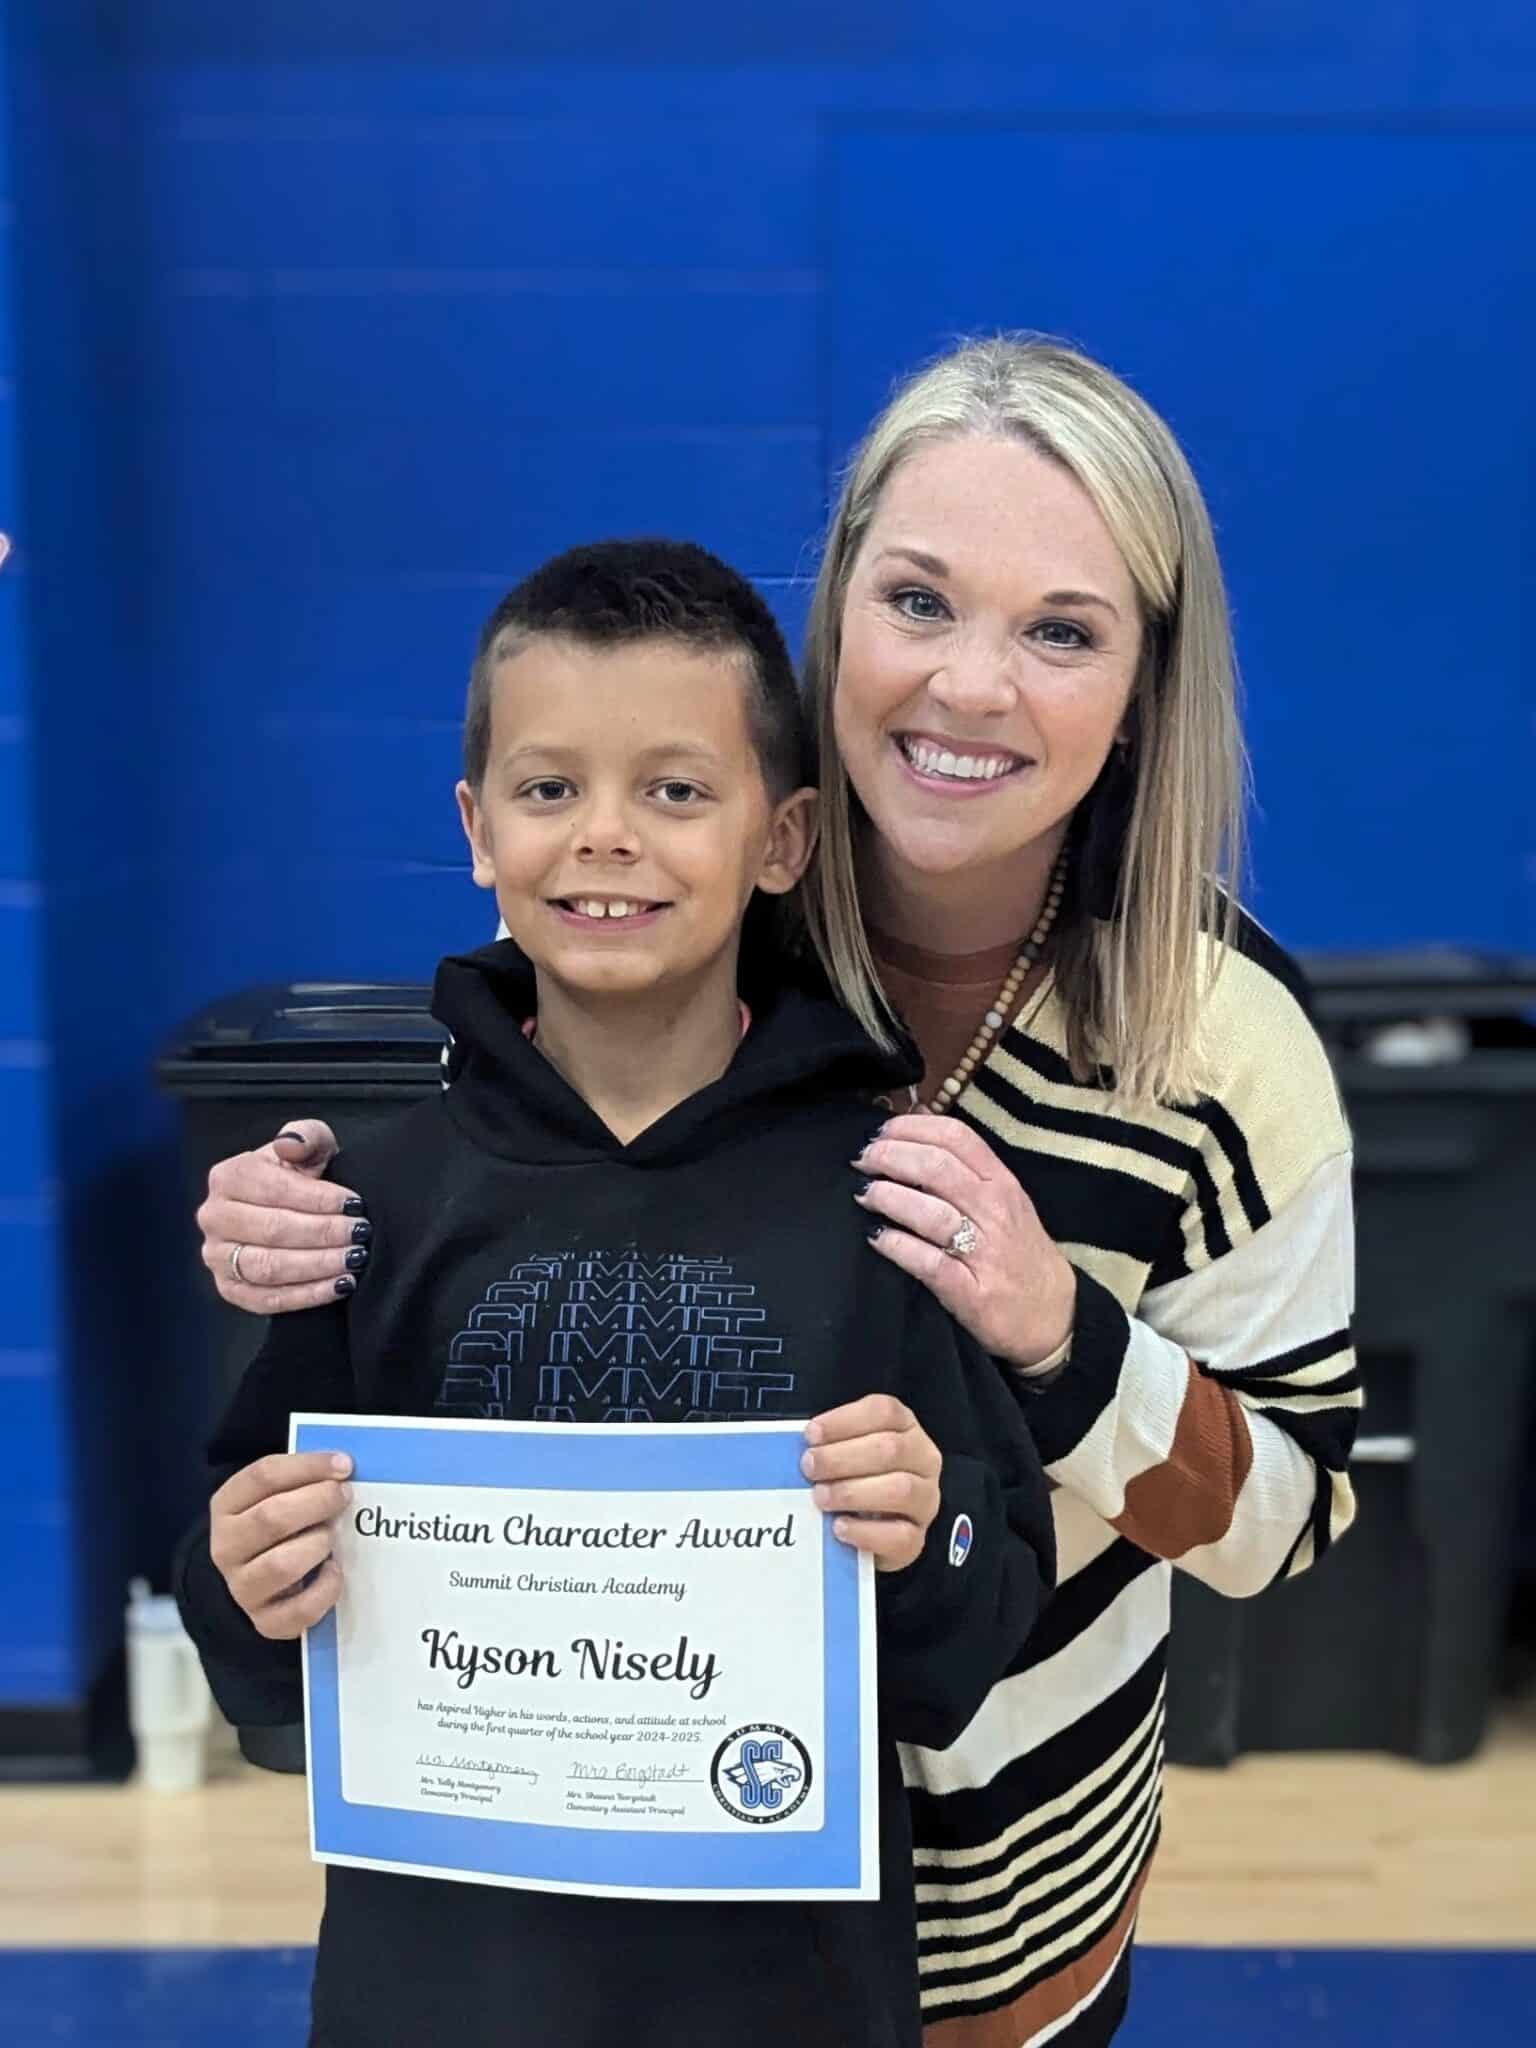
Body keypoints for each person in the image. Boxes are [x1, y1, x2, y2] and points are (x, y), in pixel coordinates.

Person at [194, 338, 1359, 2048]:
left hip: (1012, 1930)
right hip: (617, 1940)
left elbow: (1296, 1515)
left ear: (1141, 689)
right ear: (838, 626)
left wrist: (1063, 1343)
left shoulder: (1228, 1051)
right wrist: (305, 1213)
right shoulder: (686, 912)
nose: (971, 685)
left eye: (1061, 630)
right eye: (919, 601)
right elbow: (504, 1229)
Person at [176, 538, 1056, 2048]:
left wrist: (929, 1527)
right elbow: (248, 1639)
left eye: (675, 790)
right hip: (442, 1994)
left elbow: (971, 1642)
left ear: (781, 840)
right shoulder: (362, 1209)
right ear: (474, 828)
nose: (604, 838)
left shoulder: (887, 1198)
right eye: (547, 788)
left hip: (790, 2001)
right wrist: (244, 1576)